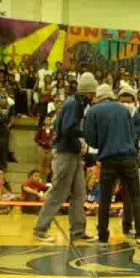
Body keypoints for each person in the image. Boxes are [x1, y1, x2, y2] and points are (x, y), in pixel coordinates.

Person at [84, 84, 140, 247]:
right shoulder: (124, 110)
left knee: (105, 199)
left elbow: (89, 137)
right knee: (136, 197)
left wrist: (101, 142)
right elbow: (132, 134)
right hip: (129, 157)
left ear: (98, 97)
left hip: (108, 159)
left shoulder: (93, 111)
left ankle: (102, 237)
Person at [32, 72, 98, 242]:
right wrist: (85, 137)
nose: (93, 96)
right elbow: (69, 129)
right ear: (86, 92)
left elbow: (62, 127)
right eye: (92, 93)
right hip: (66, 154)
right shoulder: (74, 104)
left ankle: (78, 231)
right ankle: (40, 229)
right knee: (58, 193)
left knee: (79, 193)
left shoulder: (75, 103)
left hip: (72, 154)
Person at [117, 86, 140, 238]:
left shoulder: (139, 118)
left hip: (130, 158)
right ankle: (102, 230)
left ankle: (128, 226)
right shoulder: (115, 116)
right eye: (122, 101)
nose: (126, 104)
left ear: (135, 102)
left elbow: (136, 136)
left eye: (128, 101)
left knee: (132, 194)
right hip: (114, 157)